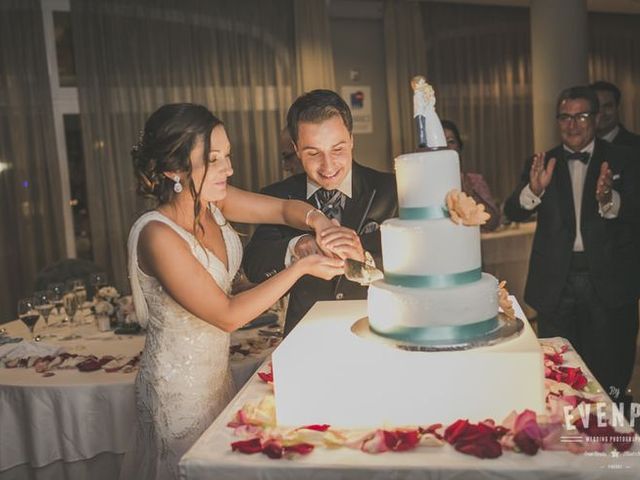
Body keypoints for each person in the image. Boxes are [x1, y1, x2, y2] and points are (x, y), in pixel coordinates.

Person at [119, 103, 344, 480]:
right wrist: (300, 267)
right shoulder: (156, 234)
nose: (229, 169)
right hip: (178, 392)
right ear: (175, 169)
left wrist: (320, 224)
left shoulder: (212, 202)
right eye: (213, 159)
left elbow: (285, 210)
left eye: (227, 155)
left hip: (216, 379)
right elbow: (227, 314)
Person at [504, 86, 639, 404]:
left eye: (581, 115)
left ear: (596, 118)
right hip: (557, 283)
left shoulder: (626, 159)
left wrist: (610, 199)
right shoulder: (542, 161)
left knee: (611, 370)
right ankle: (569, 442)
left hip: (607, 282)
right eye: (565, 116)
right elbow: (512, 209)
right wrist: (533, 191)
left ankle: (613, 443)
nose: (573, 124)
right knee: (560, 372)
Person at [243, 89, 398, 336]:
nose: (328, 166)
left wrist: (364, 258)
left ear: (351, 139)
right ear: (295, 148)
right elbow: (254, 265)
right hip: (304, 336)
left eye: (337, 149)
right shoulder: (279, 194)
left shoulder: (392, 189)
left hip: (379, 331)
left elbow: (417, 265)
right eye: (313, 153)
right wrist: (296, 246)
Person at [441, 119, 501, 232]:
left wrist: (471, 194)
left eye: (451, 141)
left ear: (459, 146)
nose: (446, 147)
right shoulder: (428, 184)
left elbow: (493, 223)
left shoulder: (474, 181)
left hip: (470, 245)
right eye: (441, 142)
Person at [589, 80, 640, 149]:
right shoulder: (577, 145)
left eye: (607, 106)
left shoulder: (636, 146)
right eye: (596, 106)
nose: (601, 113)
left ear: (618, 108)